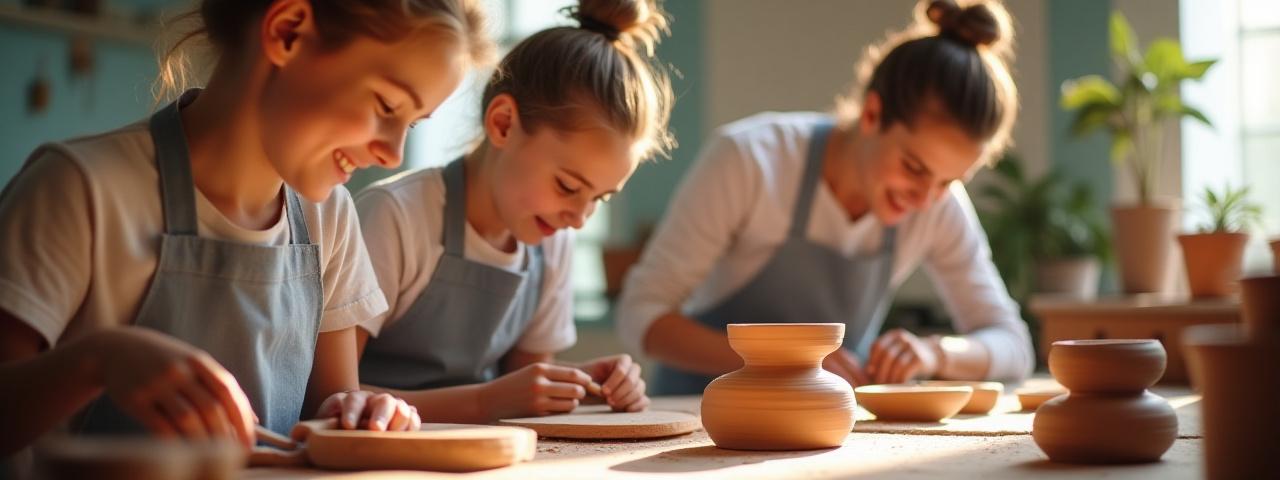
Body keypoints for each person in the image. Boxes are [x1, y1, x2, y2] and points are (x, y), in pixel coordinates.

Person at [0, 0, 493, 454]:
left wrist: (361, 411)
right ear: (288, 32)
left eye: (409, 125)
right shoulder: (78, 188)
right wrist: (98, 360)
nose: (393, 153)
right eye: (386, 106)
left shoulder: (330, 216)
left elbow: (333, 403)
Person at [616, 0, 1034, 395]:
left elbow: (1014, 345)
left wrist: (936, 352)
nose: (927, 199)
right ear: (872, 115)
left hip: (825, 438)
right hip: (701, 419)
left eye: (949, 182)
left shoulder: (939, 206)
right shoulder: (751, 160)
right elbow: (642, 314)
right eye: (914, 168)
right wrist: (784, 362)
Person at [355, 0, 673, 422]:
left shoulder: (551, 244)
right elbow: (327, 393)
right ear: (503, 124)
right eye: (568, 186)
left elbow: (522, 389)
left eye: (599, 198)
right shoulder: (396, 217)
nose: (578, 218)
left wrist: (580, 386)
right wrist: (484, 402)